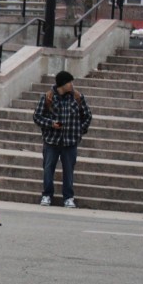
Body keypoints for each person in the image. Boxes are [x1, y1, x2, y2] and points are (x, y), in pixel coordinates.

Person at [33, 70, 92, 208]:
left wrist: (79, 130)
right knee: (48, 168)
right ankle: (47, 195)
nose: (71, 84)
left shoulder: (77, 97)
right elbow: (37, 117)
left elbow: (87, 116)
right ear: (62, 84)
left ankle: (68, 197)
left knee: (69, 170)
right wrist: (51, 124)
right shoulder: (48, 97)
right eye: (69, 82)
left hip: (70, 141)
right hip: (51, 141)